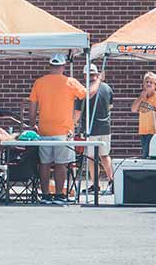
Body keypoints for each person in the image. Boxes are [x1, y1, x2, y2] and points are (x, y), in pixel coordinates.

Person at [25, 54, 87, 203]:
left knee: (44, 164)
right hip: (64, 131)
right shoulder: (70, 82)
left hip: (44, 129)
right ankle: (59, 194)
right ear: (64, 67)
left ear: (50, 66)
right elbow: (85, 95)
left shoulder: (39, 83)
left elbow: (32, 106)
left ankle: (45, 194)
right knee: (61, 164)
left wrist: (32, 124)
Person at [75, 64, 114, 189]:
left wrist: (73, 124)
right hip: (105, 127)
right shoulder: (107, 88)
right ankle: (112, 181)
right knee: (105, 155)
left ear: (85, 75)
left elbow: (78, 112)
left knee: (92, 157)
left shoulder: (84, 90)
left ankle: (96, 184)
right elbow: (110, 107)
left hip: (91, 128)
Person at [130, 71, 156, 156]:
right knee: (145, 155)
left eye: (151, 82)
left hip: (154, 132)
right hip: (143, 132)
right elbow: (133, 109)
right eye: (147, 82)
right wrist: (141, 98)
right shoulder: (142, 96)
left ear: (155, 85)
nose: (148, 84)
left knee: (147, 155)